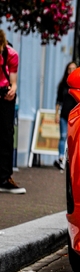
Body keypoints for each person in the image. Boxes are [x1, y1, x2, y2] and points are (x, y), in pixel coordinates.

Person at [0, 29, 25, 194]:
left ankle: (4, 177)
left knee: (6, 136)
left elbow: (13, 81)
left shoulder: (11, 54)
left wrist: (13, 88)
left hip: (4, 96)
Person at [54, 62, 78, 169]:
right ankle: (61, 158)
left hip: (75, 115)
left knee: (73, 139)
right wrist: (56, 114)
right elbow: (58, 101)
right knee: (63, 136)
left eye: (74, 68)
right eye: (70, 68)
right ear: (67, 71)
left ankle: (72, 161)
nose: (71, 70)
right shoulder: (63, 85)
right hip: (64, 114)